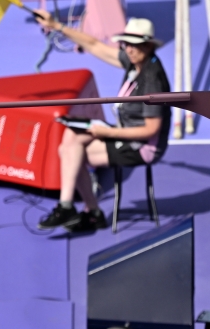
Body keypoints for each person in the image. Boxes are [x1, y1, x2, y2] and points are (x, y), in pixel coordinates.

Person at [33, 13, 171, 232]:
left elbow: (151, 129)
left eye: (134, 45)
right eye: (125, 44)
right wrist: (57, 25)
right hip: (125, 132)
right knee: (71, 138)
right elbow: (94, 45)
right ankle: (73, 207)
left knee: (71, 154)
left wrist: (109, 134)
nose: (128, 49)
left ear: (148, 46)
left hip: (142, 146)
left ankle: (87, 210)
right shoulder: (135, 61)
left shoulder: (153, 81)